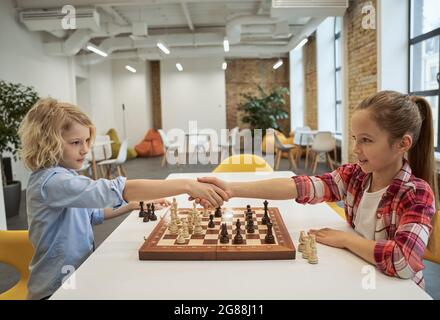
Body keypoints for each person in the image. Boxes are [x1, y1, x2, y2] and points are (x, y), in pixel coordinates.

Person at [196, 91, 438, 288]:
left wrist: (345, 240)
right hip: (360, 276)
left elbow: (403, 261)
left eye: (366, 140)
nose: (356, 149)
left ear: (402, 144)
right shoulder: (355, 176)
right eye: (354, 138)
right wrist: (233, 189)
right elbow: (299, 186)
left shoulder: (416, 193)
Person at [19, 98, 229, 299]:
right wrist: (186, 185)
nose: (85, 149)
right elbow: (110, 190)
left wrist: (131, 205)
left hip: (78, 273)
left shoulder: (67, 176)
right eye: (75, 142)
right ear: (48, 143)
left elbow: (93, 214)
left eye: (86, 141)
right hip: (55, 289)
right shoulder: (51, 183)